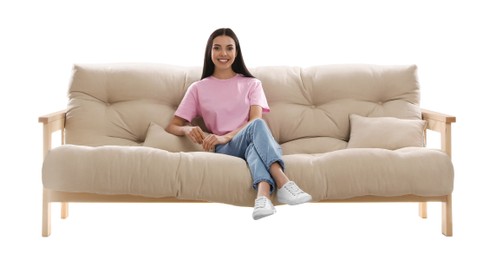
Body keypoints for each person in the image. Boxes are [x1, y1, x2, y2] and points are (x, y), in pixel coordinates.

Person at [166, 28, 312, 220]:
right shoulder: (198, 88)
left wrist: (226, 134)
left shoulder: (252, 84)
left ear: (237, 52)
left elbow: (255, 121)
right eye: (217, 48)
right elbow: (172, 126)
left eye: (229, 48)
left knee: (255, 136)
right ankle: (284, 183)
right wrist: (188, 128)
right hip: (225, 148)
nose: (223, 54)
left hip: (254, 142)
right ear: (210, 52)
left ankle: (262, 196)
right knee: (257, 128)